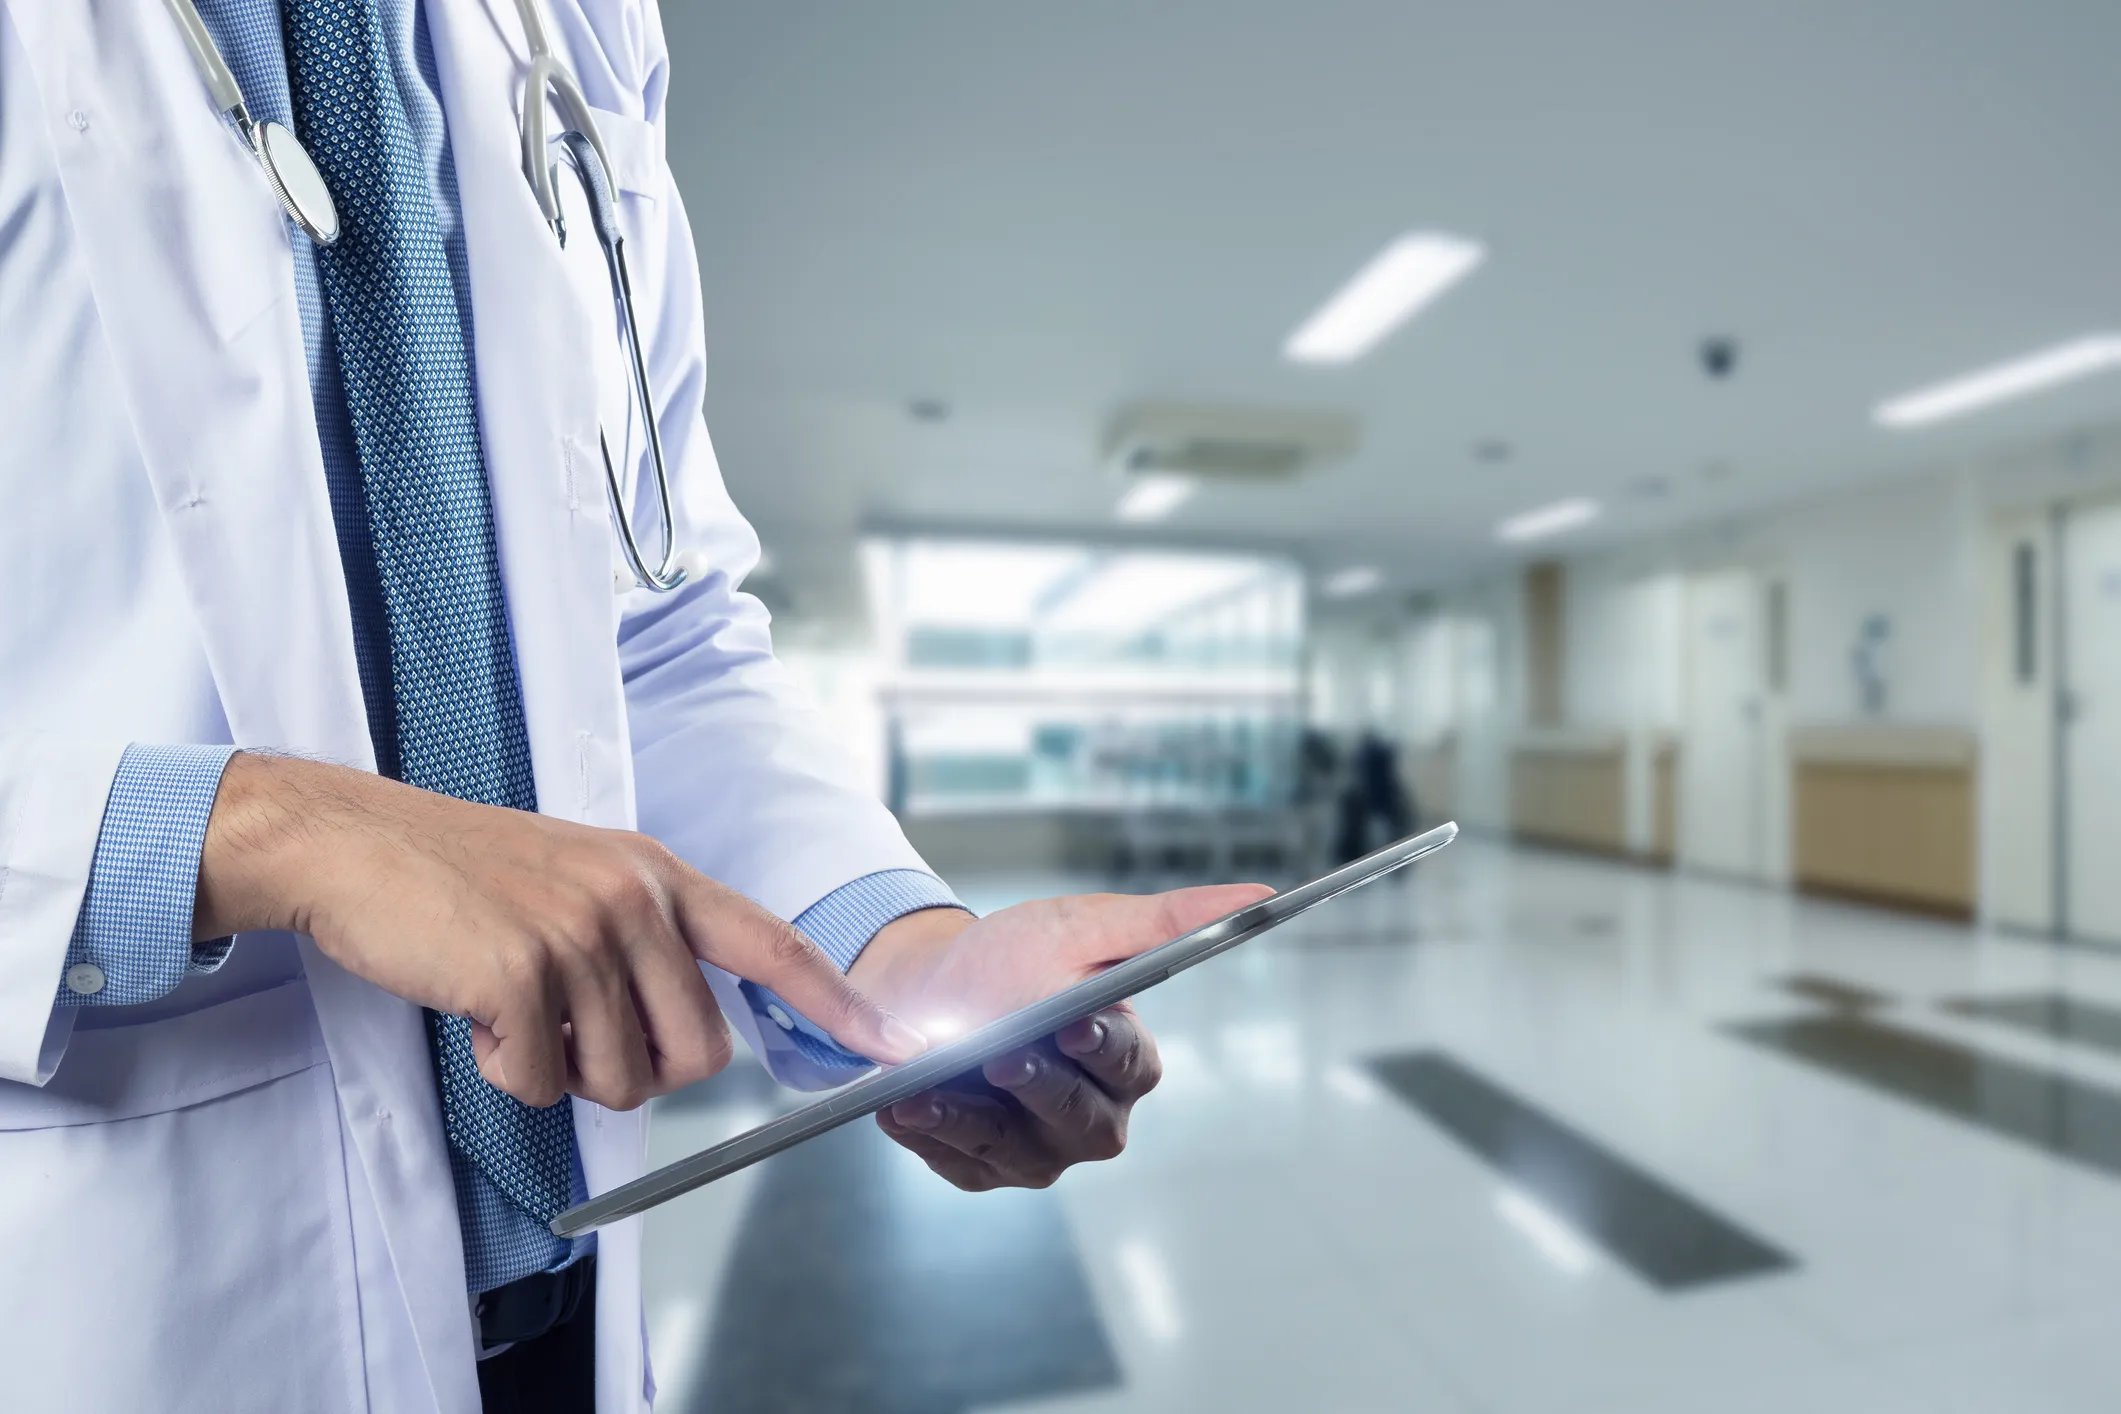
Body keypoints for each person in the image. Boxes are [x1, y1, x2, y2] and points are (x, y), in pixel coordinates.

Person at [0, 2, 1267, 1410]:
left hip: (554, 1299)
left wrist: (891, 960)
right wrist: (270, 832)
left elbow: (654, 629)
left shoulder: (574, 24)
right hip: (112, 1296)